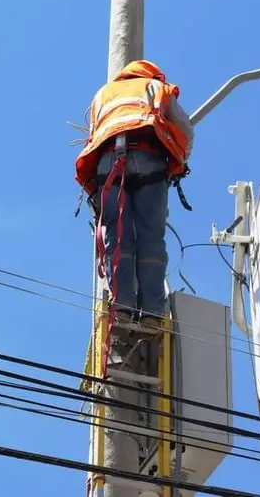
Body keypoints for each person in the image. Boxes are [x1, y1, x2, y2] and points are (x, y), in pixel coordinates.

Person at [74, 60, 194, 331]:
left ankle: (122, 309)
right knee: (150, 238)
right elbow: (185, 129)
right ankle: (151, 313)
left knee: (117, 239)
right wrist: (179, 161)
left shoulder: (102, 94)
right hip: (149, 161)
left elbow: (95, 134)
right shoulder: (156, 87)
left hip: (109, 167)